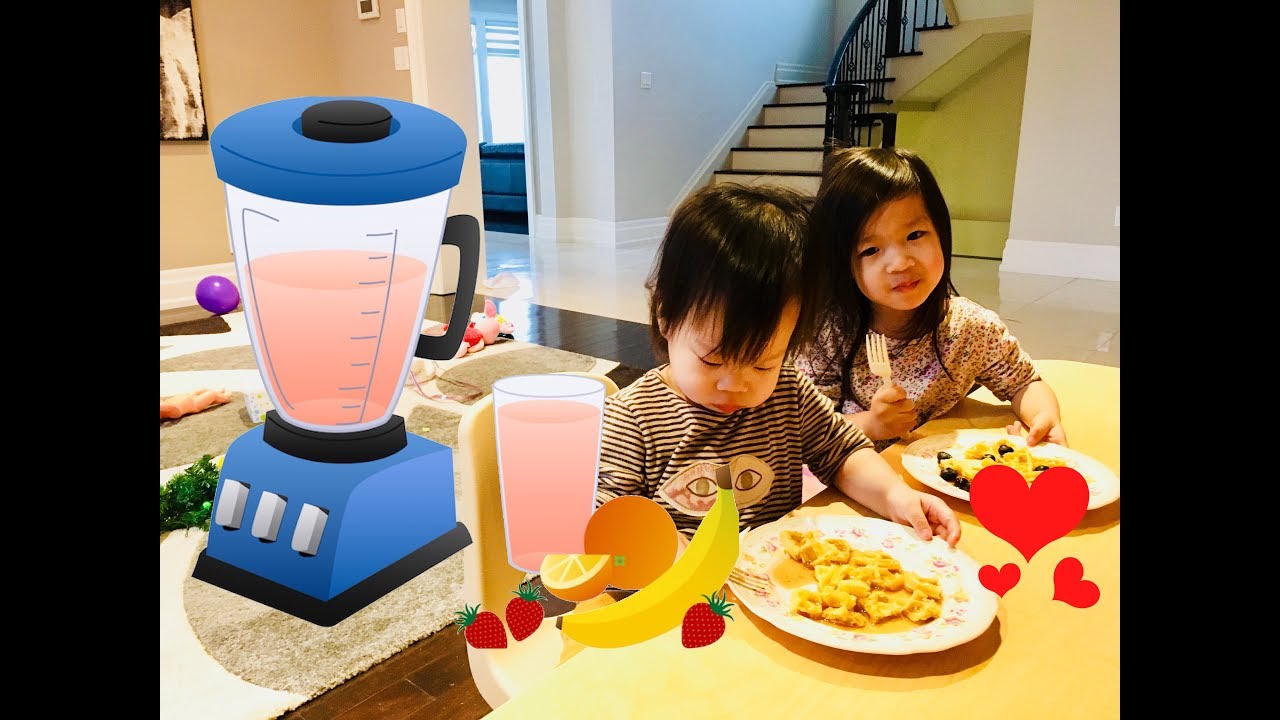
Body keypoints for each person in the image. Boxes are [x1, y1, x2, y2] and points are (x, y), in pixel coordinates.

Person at [595, 183, 960, 548]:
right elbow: (604, 522)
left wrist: (896, 496)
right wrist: (662, 550)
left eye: (763, 365)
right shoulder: (632, 420)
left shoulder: (789, 392)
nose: (735, 384)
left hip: (775, 573)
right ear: (666, 317)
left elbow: (843, 453)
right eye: (712, 360)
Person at [796, 146, 1065, 452]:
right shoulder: (827, 335)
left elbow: (1024, 383)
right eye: (870, 250)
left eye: (915, 235)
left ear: (941, 231)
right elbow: (807, 429)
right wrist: (871, 423)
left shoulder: (971, 329)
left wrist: (1044, 419)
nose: (900, 263)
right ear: (843, 265)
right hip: (855, 468)